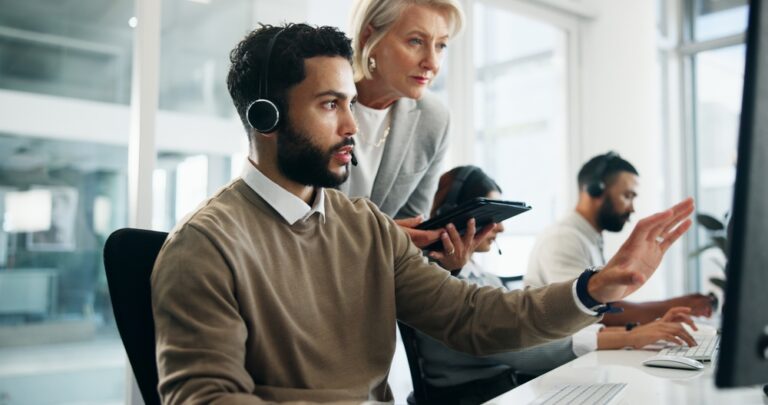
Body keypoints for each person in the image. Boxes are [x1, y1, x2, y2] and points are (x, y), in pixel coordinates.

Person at [151, 24, 695, 403]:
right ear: (265, 118)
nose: (351, 127)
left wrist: (595, 287)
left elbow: (473, 318)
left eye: (349, 102)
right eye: (329, 105)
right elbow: (206, 399)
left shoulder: (361, 224)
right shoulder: (204, 247)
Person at [414, 166, 698, 404]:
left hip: (505, 389)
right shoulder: (432, 281)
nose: (500, 227)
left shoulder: (480, 276)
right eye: (493, 215)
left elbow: (522, 332)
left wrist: (634, 332)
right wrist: (631, 336)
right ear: (456, 214)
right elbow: (518, 346)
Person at [344, 0, 491, 272]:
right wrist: (381, 234)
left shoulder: (433, 119)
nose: (432, 62)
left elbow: (413, 227)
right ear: (368, 37)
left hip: (377, 285)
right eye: (415, 41)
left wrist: (446, 262)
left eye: (441, 45)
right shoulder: (322, 98)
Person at [525, 152, 714, 326]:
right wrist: (674, 306)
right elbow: (587, 312)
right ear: (594, 190)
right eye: (627, 196)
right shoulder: (563, 239)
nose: (632, 208)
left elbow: (603, 304)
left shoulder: (588, 237)